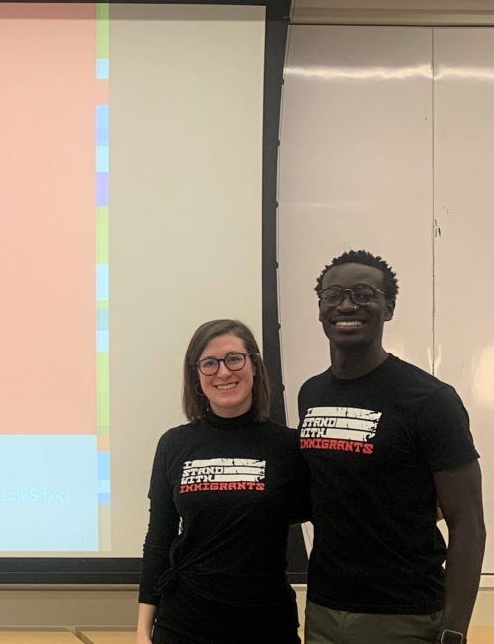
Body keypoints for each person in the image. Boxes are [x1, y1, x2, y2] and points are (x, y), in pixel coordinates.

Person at [299, 250, 485, 644]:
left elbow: (468, 524)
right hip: (322, 609)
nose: (347, 304)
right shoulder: (310, 394)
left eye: (364, 294)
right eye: (333, 295)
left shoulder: (431, 400)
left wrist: (454, 631)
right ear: (320, 309)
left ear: (389, 307)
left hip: (404, 615)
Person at [136, 319, 308, 644]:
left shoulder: (289, 447)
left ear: (254, 365)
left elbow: (338, 509)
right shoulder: (174, 445)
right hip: (183, 625)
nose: (223, 372)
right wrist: (144, 630)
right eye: (209, 363)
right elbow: (159, 538)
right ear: (196, 375)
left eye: (234, 358)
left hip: (266, 626)